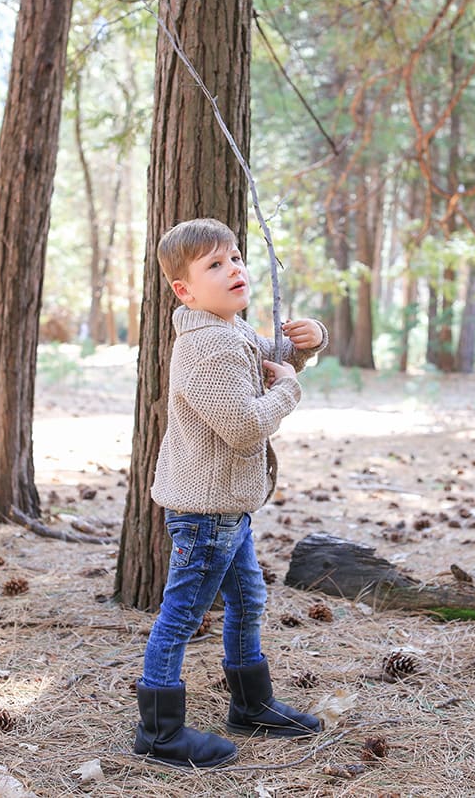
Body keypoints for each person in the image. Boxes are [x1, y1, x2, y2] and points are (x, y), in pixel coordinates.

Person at [134, 218, 329, 769]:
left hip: (228, 509)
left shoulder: (230, 330)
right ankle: (159, 732)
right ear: (184, 290)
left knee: (248, 600)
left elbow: (274, 354)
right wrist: (291, 390)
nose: (234, 269)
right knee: (182, 613)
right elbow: (245, 426)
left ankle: (251, 704)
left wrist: (309, 340)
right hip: (205, 513)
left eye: (237, 257)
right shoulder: (209, 349)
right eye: (214, 265)